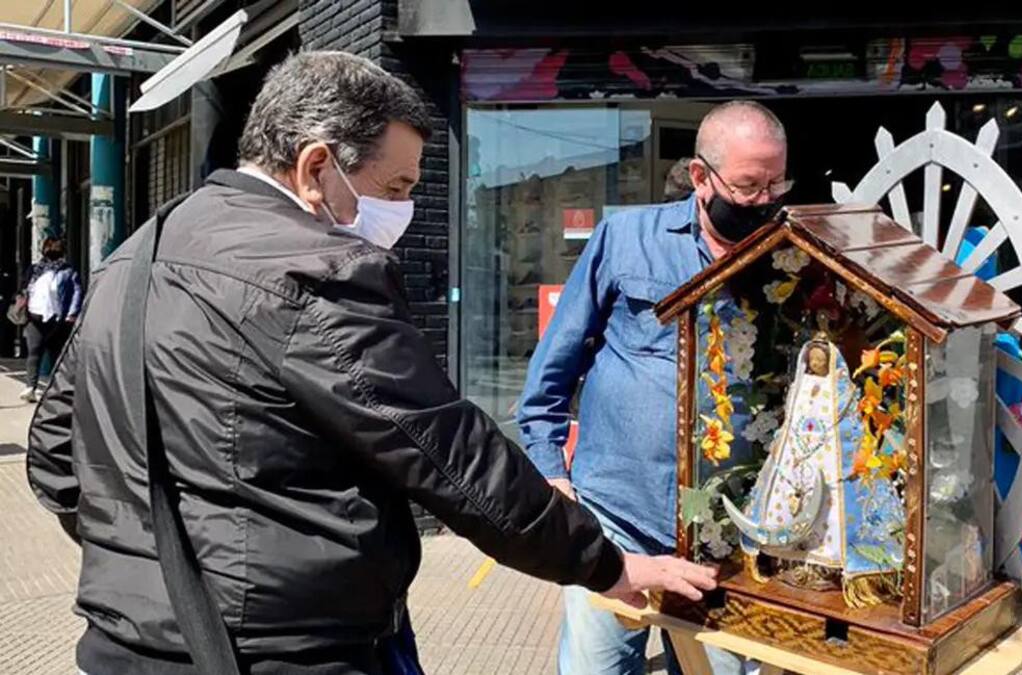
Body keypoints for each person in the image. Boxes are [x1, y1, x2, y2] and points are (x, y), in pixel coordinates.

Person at [25, 51, 715, 675]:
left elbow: (55, 458)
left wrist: (141, 560)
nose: (405, 209)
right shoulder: (314, 269)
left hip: (122, 641)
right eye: (395, 186)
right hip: (286, 646)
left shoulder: (138, 252)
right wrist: (603, 563)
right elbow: (450, 454)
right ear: (317, 167)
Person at [518, 101, 791, 675]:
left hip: (726, 535)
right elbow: (553, 369)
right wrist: (550, 474)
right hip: (616, 516)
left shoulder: (788, 258)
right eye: (746, 186)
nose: (764, 201)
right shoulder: (625, 238)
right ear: (700, 177)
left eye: (776, 183)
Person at [18, 236, 82, 402]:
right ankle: (30, 387)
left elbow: (76, 292)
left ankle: (53, 388)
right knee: (34, 351)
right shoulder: (34, 269)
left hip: (56, 318)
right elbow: (24, 287)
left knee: (56, 354)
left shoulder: (68, 271)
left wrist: (71, 314)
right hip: (35, 315)